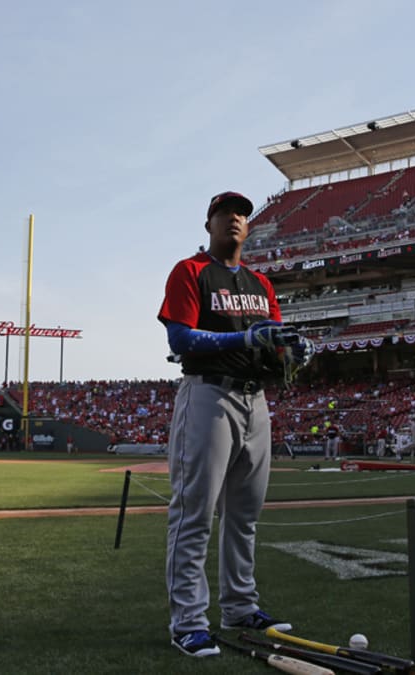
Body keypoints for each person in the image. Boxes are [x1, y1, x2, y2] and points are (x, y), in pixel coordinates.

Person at [157, 191, 313, 658]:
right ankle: (187, 621)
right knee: (194, 512)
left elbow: (276, 341)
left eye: (242, 215)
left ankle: (240, 607)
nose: (234, 220)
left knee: (244, 515)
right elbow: (180, 338)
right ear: (209, 224)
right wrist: (244, 335)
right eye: (225, 214)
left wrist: (294, 351)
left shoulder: (261, 283)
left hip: (256, 398)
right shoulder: (190, 271)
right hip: (209, 393)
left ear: (249, 227)